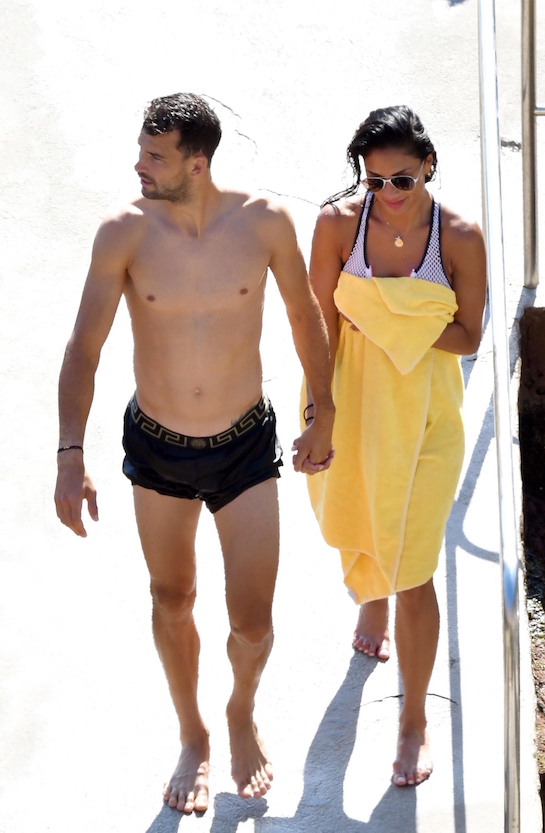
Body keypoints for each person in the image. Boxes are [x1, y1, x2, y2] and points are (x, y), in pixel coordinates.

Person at [54, 92, 335, 814]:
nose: (138, 166)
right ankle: (193, 732)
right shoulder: (123, 232)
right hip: (159, 448)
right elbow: (84, 347)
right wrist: (70, 452)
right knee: (171, 597)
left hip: (246, 445)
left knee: (254, 624)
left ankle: (241, 710)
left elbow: (304, 315)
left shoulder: (265, 222)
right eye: (140, 152)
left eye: (155, 156)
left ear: (197, 163)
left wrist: (322, 410)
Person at [304, 105, 486, 786]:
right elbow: (319, 327)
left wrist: (386, 318)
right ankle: (369, 598)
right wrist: (318, 415)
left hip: (427, 422)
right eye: (374, 180)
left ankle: (413, 720)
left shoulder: (459, 237)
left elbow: (468, 335)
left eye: (402, 180)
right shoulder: (336, 225)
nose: (386, 193)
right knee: (355, 514)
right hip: (349, 405)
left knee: (415, 568)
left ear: (429, 165)